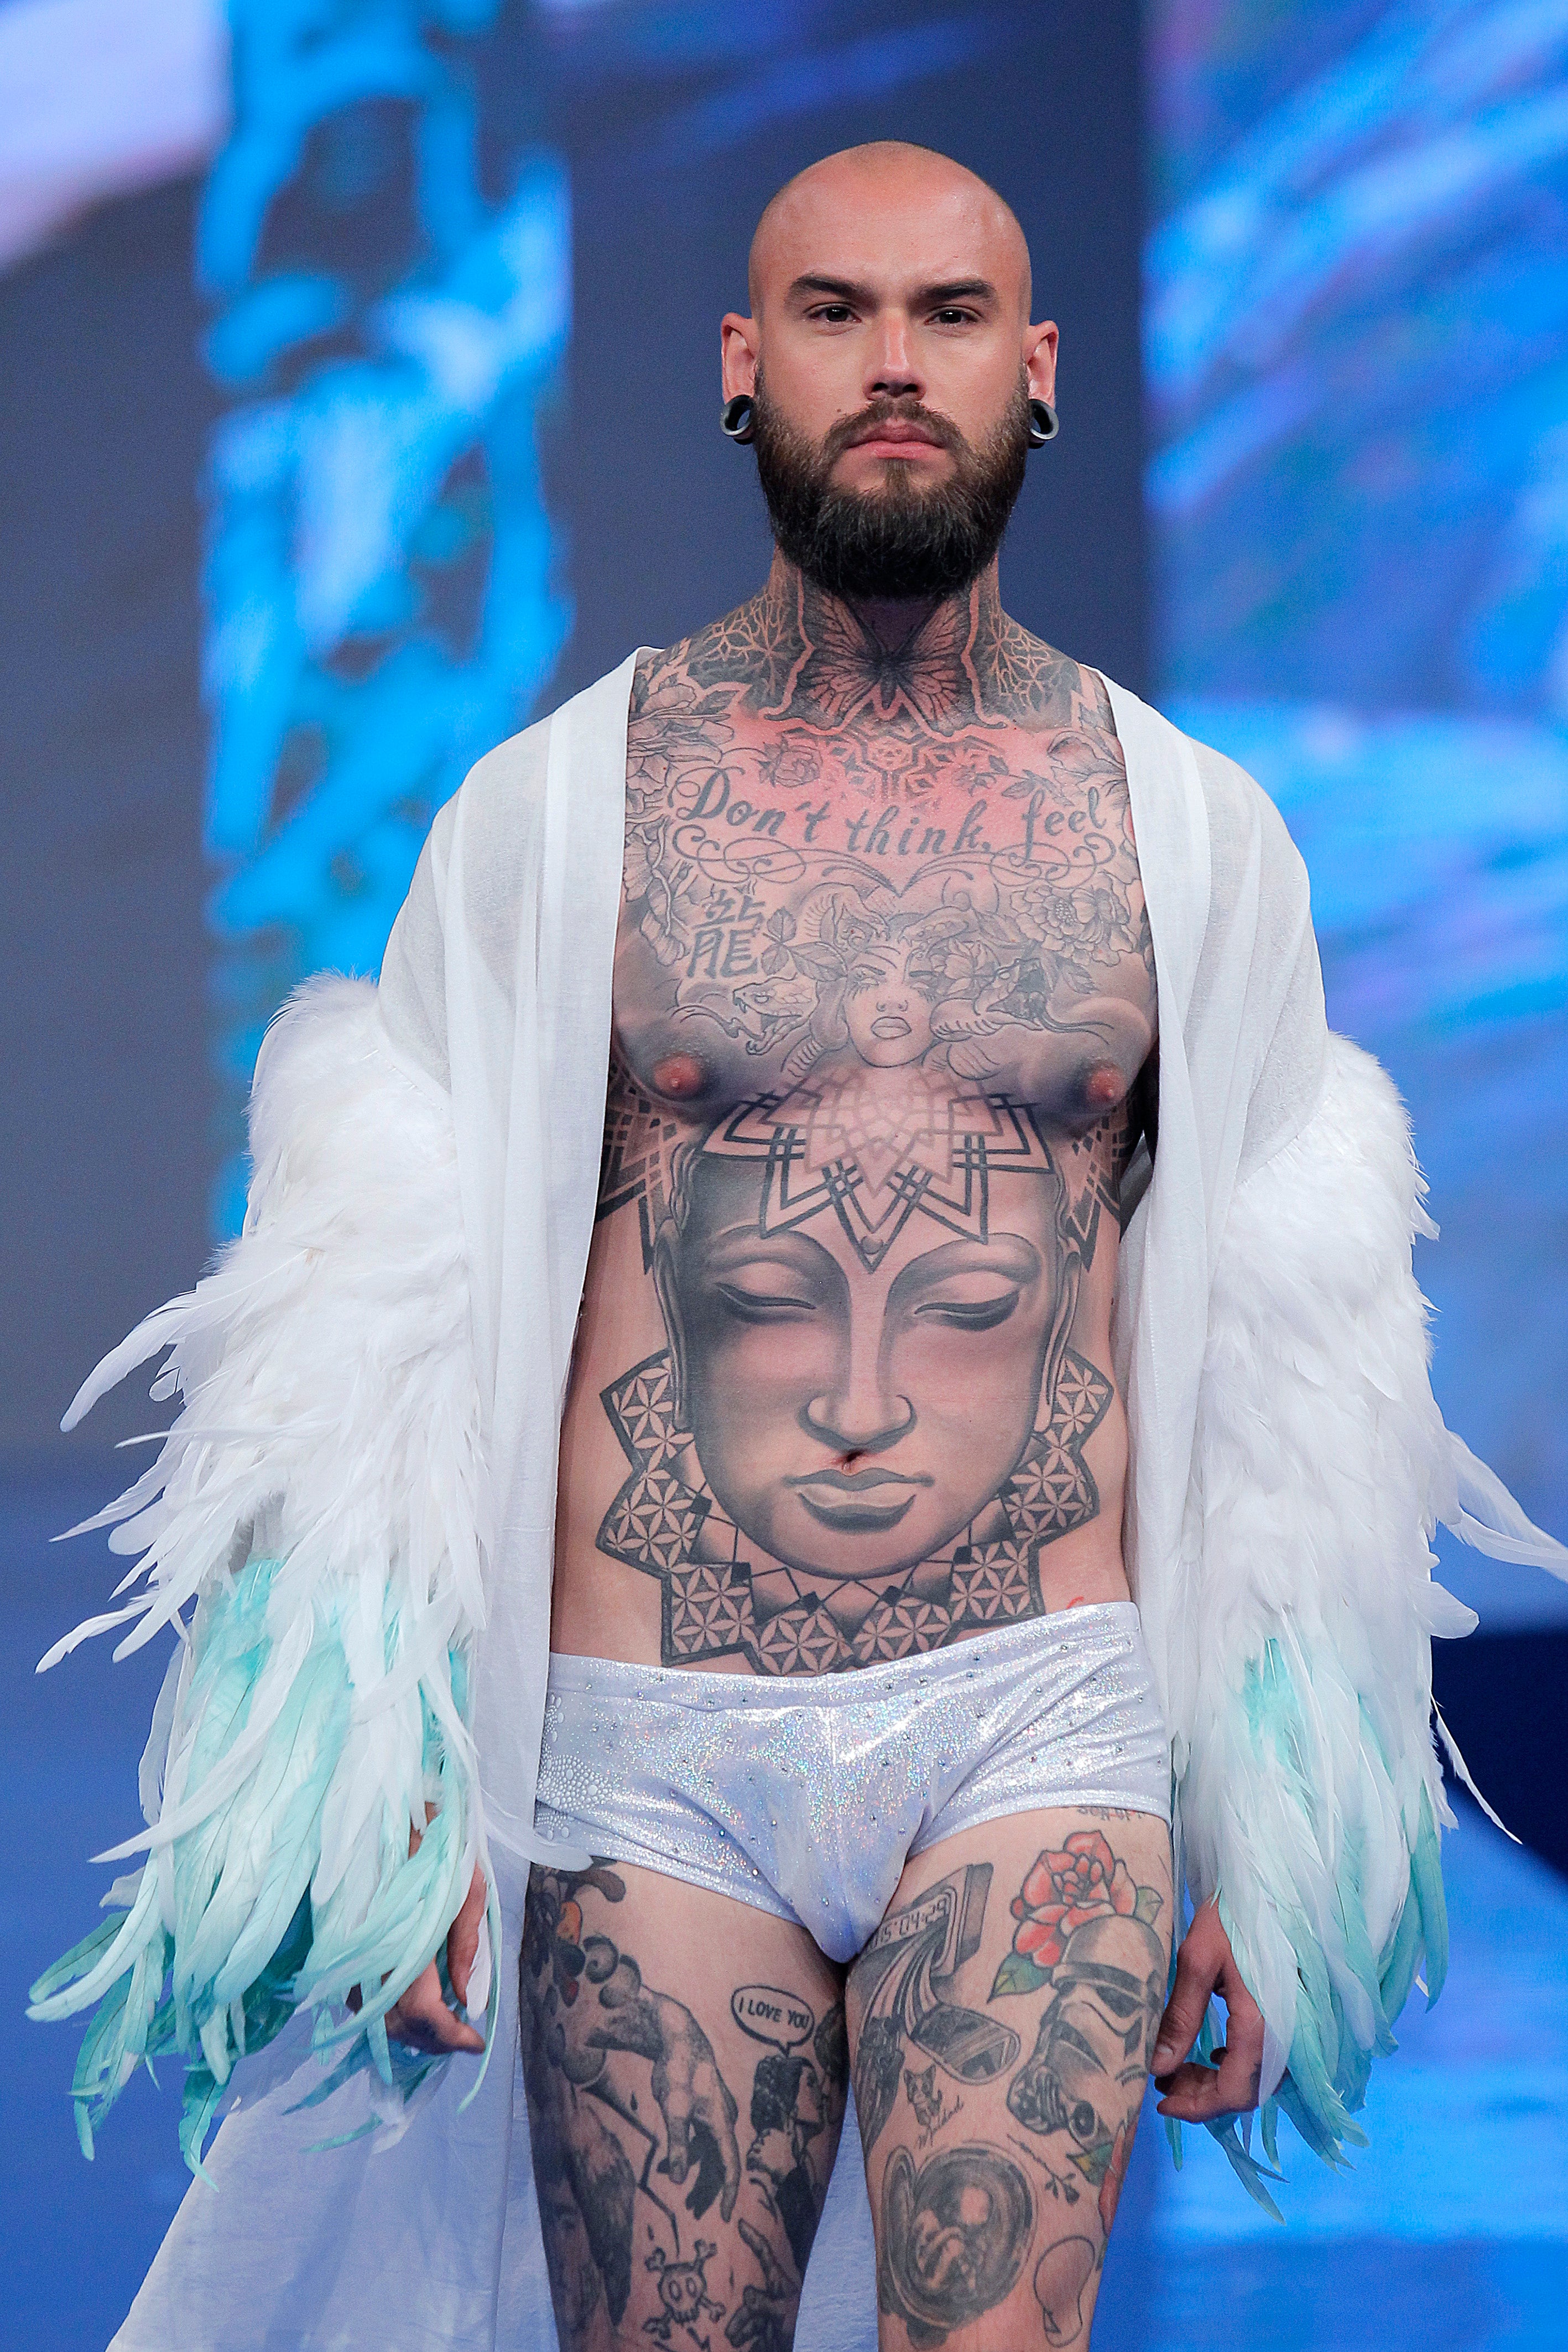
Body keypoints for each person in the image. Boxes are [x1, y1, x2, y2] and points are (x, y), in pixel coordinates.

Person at [32, 143, 1565, 2352]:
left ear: (1039, 371)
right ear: (743, 369)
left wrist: (1272, 1818)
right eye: (836, 314)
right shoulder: (557, 814)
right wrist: (383, 1784)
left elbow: (1278, 1341)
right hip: (646, 1755)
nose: (895, 365)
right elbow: (375, 1316)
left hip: (1033, 1720)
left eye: (950, 315)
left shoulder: (1190, 836)